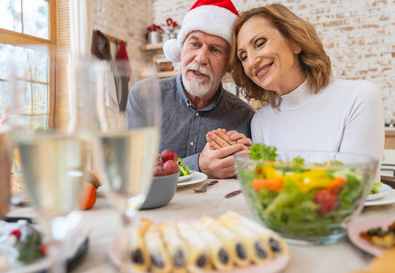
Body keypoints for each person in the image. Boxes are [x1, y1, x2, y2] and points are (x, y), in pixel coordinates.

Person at [222, 3, 384, 177]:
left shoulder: (359, 98)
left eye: (260, 43)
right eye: (243, 57)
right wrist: (254, 166)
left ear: (295, 42)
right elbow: (269, 194)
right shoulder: (261, 121)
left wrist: (271, 172)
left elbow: (352, 188)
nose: (252, 61)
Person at [127, 0, 255, 179]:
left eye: (215, 50)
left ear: (228, 65)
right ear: (180, 49)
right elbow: (131, 170)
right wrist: (199, 165)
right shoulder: (143, 96)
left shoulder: (245, 117)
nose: (201, 58)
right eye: (194, 44)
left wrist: (249, 164)